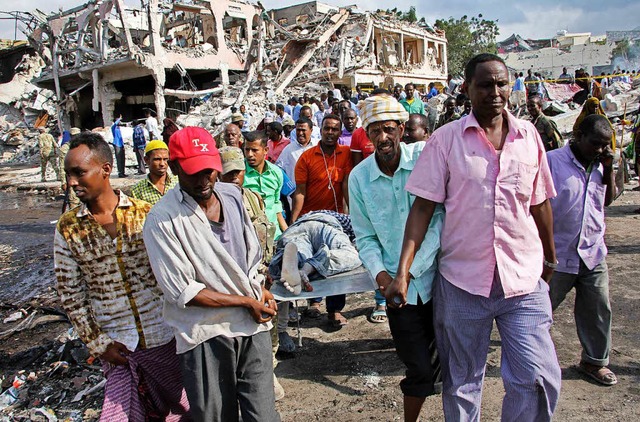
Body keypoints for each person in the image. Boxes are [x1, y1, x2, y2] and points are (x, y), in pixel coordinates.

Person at [394, 53, 561, 421]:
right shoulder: (446, 140)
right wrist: (403, 270)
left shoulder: (529, 136)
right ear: (467, 88)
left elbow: (540, 202)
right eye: (485, 85)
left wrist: (550, 257)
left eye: (501, 84)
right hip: (463, 282)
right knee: (463, 381)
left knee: (536, 376)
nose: (495, 92)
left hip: (523, 278)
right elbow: (422, 209)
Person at [142, 127, 280, 421]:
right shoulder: (162, 220)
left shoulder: (231, 196)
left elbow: (249, 256)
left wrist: (258, 287)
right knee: (216, 415)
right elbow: (183, 292)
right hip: (206, 333)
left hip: (252, 327)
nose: (204, 180)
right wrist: (246, 301)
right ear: (175, 167)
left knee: (263, 415)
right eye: (194, 172)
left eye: (209, 170)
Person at [54, 132, 190, 420]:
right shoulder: (68, 228)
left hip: (163, 335)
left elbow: (174, 271)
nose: (71, 182)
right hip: (117, 347)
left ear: (105, 169)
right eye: (68, 174)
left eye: (79, 173)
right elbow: (71, 295)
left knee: (184, 409)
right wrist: (98, 344)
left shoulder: (145, 214)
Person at [350, 93, 444, 421]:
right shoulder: (359, 177)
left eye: (388, 129)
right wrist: (384, 279)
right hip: (395, 292)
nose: (382, 137)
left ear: (402, 129)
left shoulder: (424, 158)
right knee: (417, 366)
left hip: (438, 279)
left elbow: (438, 220)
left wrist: (410, 272)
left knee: (452, 360)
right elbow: (365, 237)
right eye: (374, 130)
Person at [547, 114, 617, 387]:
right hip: (557, 254)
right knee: (538, 311)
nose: (600, 150)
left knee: (598, 309)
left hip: (592, 252)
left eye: (604, 145)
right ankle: (528, 361)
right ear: (579, 137)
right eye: (595, 144)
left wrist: (609, 169)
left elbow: (607, 200)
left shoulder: (603, 164)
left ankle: (594, 361)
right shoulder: (552, 161)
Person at [218, 146, 283, 400]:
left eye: (238, 172)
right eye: (228, 174)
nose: (234, 178)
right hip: (231, 284)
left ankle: (269, 373)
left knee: (269, 327)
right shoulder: (212, 205)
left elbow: (266, 234)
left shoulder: (254, 199)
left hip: (261, 277)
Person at [291, 114, 353, 326]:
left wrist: (351, 215)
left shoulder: (345, 154)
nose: (330, 133)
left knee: (337, 263)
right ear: (321, 129)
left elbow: (346, 186)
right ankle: (314, 302)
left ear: (339, 132)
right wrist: (294, 221)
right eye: (327, 128)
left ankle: (335, 310)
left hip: (336, 221)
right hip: (311, 220)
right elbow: (299, 192)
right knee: (310, 259)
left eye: (335, 129)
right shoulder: (307, 157)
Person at [269, 212, 361, 295]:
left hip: (295, 229)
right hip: (324, 224)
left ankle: (289, 264)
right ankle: (310, 267)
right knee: (352, 254)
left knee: (300, 251)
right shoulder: (352, 221)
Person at [243, 130, 288, 238]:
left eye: (254, 150)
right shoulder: (239, 173)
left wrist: (287, 232)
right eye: (247, 149)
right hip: (249, 236)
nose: (249, 154)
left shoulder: (276, 173)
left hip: (274, 235)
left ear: (265, 150)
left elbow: (276, 205)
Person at [131, 140, 178, 206]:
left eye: (165, 159)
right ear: (147, 160)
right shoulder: (138, 191)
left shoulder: (177, 183)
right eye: (157, 159)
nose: (162, 164)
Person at [276, 118, 318, 182]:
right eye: (298, 130)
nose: (300, 133)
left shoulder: (318, 146)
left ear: (311, 130)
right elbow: (278, 170)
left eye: (303, 130)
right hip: (296, 190)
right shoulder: (288, 150)